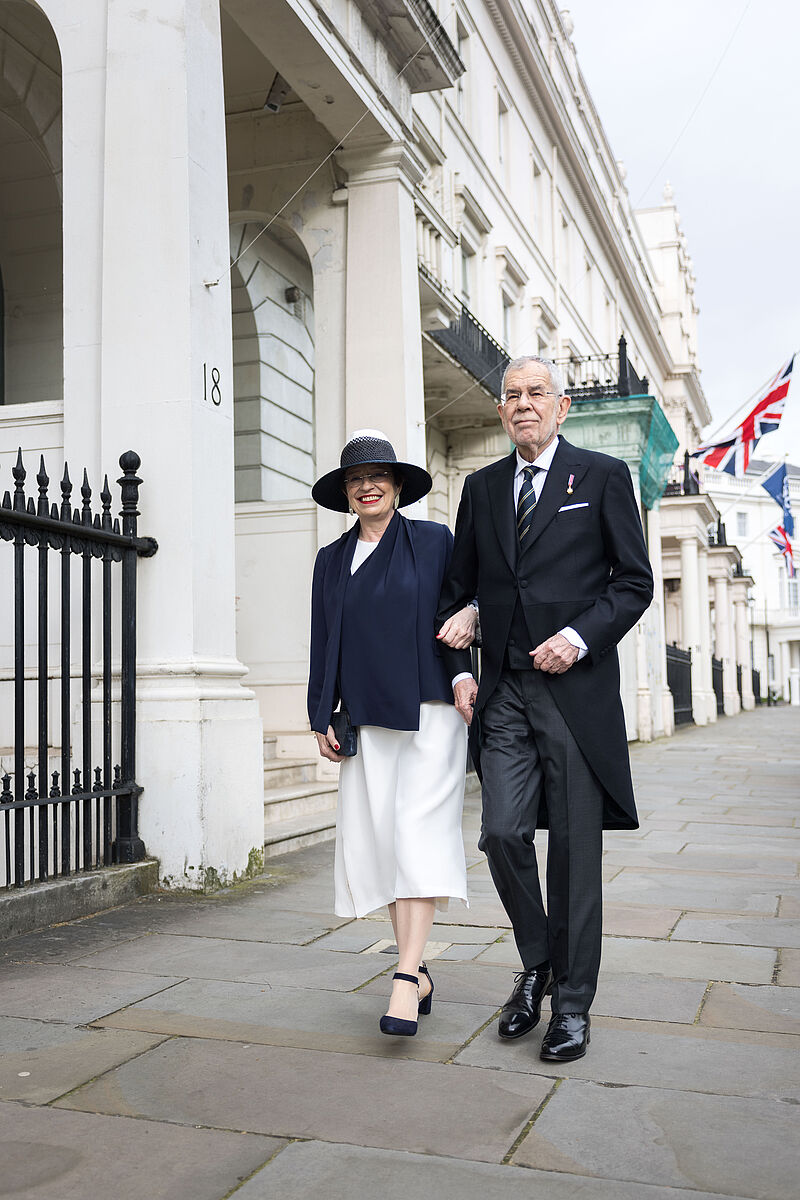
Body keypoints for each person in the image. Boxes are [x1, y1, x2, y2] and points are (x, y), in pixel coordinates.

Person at [437, 356, 653, 1062]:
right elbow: (459, 590)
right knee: (500, 833)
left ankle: (572, 1007)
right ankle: (539, 959)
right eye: (512, 396)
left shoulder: (601, 477)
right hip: (501, 691)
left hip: (573, 694)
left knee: (574, 856)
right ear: (502, 412)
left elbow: (632, 583)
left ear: (562, 408)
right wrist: (459, 668)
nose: (523, 404)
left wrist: (580, 636)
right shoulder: (482, 487)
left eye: (536, 394)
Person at [308, 429, 477, 1037]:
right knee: (383, 841)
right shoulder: (331, 561)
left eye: (378, 476)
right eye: (356, 479)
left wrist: (464, 671)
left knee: (417, 835)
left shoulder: (434, 542)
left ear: (399, 486)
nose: (367, 486)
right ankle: (420, 968)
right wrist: (320, 712)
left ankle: (404, 978)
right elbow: (324, 642)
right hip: (365, 717)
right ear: (345, 493)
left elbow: (457, 611)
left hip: (432, 710)